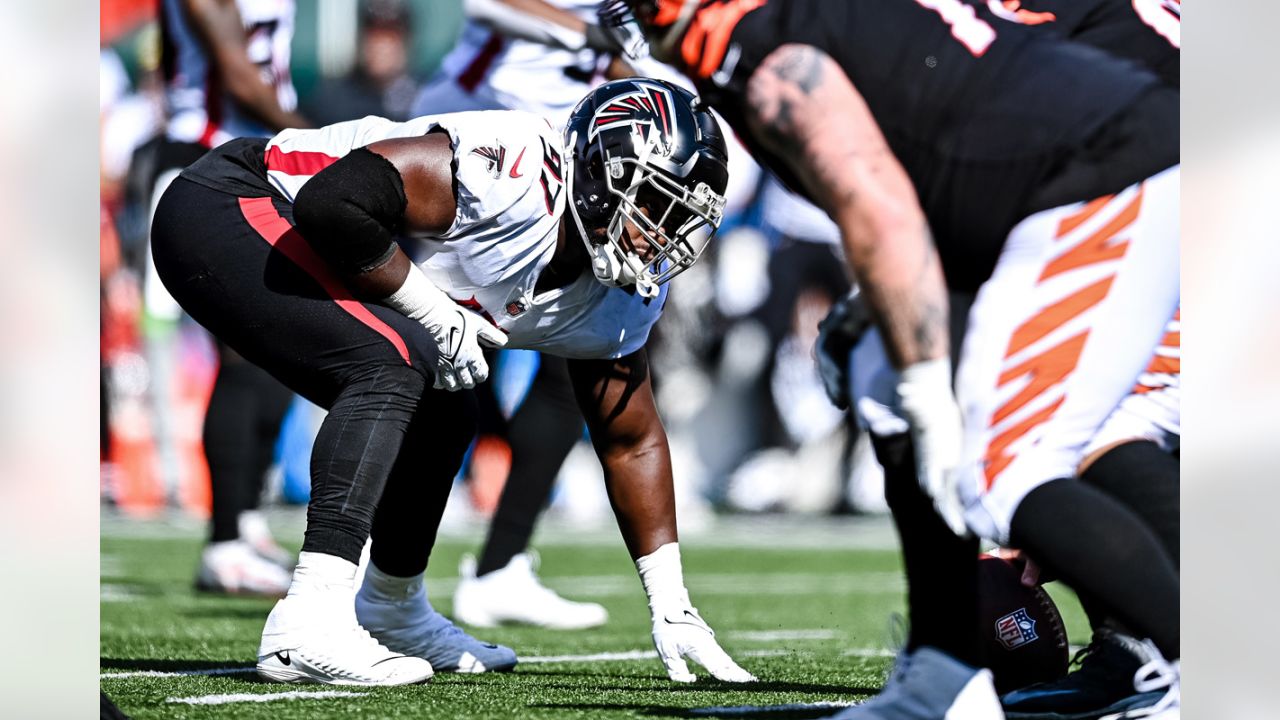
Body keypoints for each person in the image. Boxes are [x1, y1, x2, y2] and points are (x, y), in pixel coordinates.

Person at [611, 1, 1179, 717]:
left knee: (1001, 461)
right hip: (1066, 181)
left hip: (1108, 175)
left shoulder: (767, 51)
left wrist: (927, 383)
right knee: (878, 372)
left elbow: (875, 201)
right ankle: (947, 674)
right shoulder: (794, 31)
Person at [150, 77, 756, 686]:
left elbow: (632, 440)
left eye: (680, 217)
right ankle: (309, 617)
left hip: (307, 236)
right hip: (233, 202)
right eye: (653, 203)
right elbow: (332, 204)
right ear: (601, 171)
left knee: (447, 406)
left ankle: (391, 607)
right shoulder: (515, 171)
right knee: (390, 361)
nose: (660, 233)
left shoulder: (618, 298)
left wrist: (670, 602)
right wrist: (432, 311)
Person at [153, 0, 312, 596]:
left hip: (260, 162)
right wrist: (322, 137)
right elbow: (238, 74)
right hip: (203, 164)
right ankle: (222, 542)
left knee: (274, 354)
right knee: (241, 357)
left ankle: (243, 522)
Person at [302, 0, 421, 125]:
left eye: (390, 35)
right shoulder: (330, 101)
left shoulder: (426, 99)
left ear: (406, 41)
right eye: (373, 34)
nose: (379, 45)